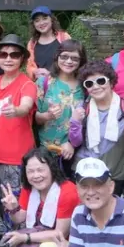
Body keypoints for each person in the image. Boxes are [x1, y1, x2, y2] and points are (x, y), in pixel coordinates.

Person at [0, 148, 80, 247]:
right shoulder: (30, 188)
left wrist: (26, 238)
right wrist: (13, 207)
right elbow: (19, 218)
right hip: (43, 233)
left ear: (52, 168)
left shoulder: (67, 191)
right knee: (13, 245)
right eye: (30, 171)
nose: (36, 176)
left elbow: (60, 234)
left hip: (68, 242)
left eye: (40, 170)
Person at [0, 34, 37, 216]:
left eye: (14, 54)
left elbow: (26, 106)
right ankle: (2, 237)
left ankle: (17, 237)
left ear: (22, 58)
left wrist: (17, 110)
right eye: (3, 54)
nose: (8, 58)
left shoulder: (26, 84)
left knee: (15, 203)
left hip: (15, 156)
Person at [69, 60, 124, 194]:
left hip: (114, 172)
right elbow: (76, 142)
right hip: (84, 170)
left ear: (111, 82)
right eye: (89, 84)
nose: (95, 86)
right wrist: (75, 122)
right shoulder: (83, 108)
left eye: (100, 81)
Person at [35, 40, 87, 169]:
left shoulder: (85, 86)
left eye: (74, 58)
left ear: (81, 61)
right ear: (57, 57)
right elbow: (33, 118)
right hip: (45, 150)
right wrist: (47, 116)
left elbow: (87, 120)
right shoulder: (44, 83)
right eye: (64, 57)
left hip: (72, 151)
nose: (69, 61)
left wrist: (71, 144)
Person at [26, 6, 71, 80]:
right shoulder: (32, 43)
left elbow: (72, 61)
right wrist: (35, 72)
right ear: (33, 24)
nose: (41, 23)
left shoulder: (64, 37)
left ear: (52, 19)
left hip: (62, 84)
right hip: (41, 87)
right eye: (37, 20)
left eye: (44, 18)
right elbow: (29, 66)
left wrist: (51, 74)